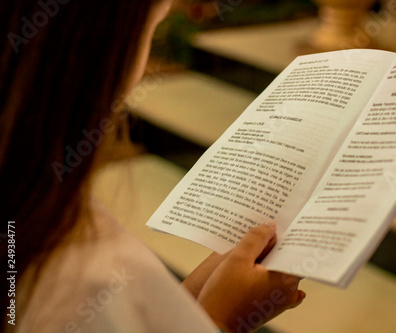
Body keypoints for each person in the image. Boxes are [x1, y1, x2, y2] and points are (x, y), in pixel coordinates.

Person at [0, 1, 305, 332]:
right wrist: (222, 318)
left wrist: (183, 306)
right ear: (99, 49)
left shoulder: (26, 204)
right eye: (153, 28)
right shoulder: (84, 274)